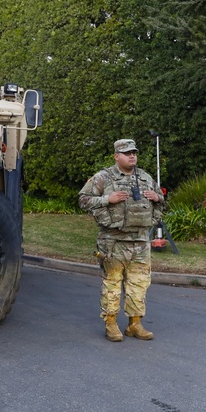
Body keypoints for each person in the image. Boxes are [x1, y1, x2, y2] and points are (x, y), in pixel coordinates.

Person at [78, 139, 165, 342]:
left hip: (140, 242)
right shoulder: (103, 177)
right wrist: (108, 199)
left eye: (134, 152)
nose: (132, 156)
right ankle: (111, 323)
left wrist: (157, 198)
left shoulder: (145, 177)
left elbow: (162, 202)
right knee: (112, 284)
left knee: (139, 284)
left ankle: (135, 324)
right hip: (113, 242)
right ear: (117, 156)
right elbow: (83, 200)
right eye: (127, 153)